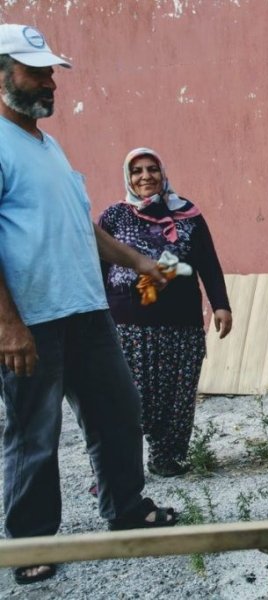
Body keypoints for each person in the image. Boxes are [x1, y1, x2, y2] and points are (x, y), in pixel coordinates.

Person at [0, 24, 178, 585]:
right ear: (2, 75)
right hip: (32, 320)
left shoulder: (47, 144)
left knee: (118, 411)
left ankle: (127, 509)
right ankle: (29, 545)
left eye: (51, 71)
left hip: (84, 308)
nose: (50, 81)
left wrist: (138, 261)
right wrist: (8, 327)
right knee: (35, 431)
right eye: (36, 71)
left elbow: (82, 227)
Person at [99, 147, 232, 477]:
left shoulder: (188, 214)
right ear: (127, 178)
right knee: (125, 398)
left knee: (177, 396)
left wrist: (221, 304)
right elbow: (97, 267)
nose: (145, 176)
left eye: (152, 169)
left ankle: (167, 457)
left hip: (181, 322)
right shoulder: (113, 216)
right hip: (128, 325)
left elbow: (208, 263)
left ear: (163, 173)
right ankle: (116, 470)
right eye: (137, 171)